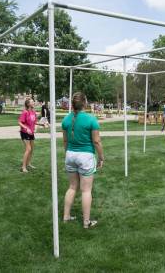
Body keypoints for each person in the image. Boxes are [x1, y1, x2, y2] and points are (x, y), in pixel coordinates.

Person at [62, 92, 104, 229]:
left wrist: (68, 154)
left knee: (72, 187)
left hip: (70, 155)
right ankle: (86, 222)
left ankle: (66, 216)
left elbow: (65, 141)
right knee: (86, 190)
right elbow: (96, 142)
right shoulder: (91, 120)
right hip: (85, 157)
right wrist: (101, 157)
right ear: (85, 103)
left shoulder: (66, 120)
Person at [18, 98, 43, 173]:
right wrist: (26, 128)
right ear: (28, 104)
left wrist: (42, 124)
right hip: (24, 132)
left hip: (31, 133)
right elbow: (19, 122)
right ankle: (23, 167)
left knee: (31, 149)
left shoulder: (33, 112)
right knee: (28, 149)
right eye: (32, 102)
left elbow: (35, 122)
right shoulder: (25, 112)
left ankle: (28, 164)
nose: (34, 102)